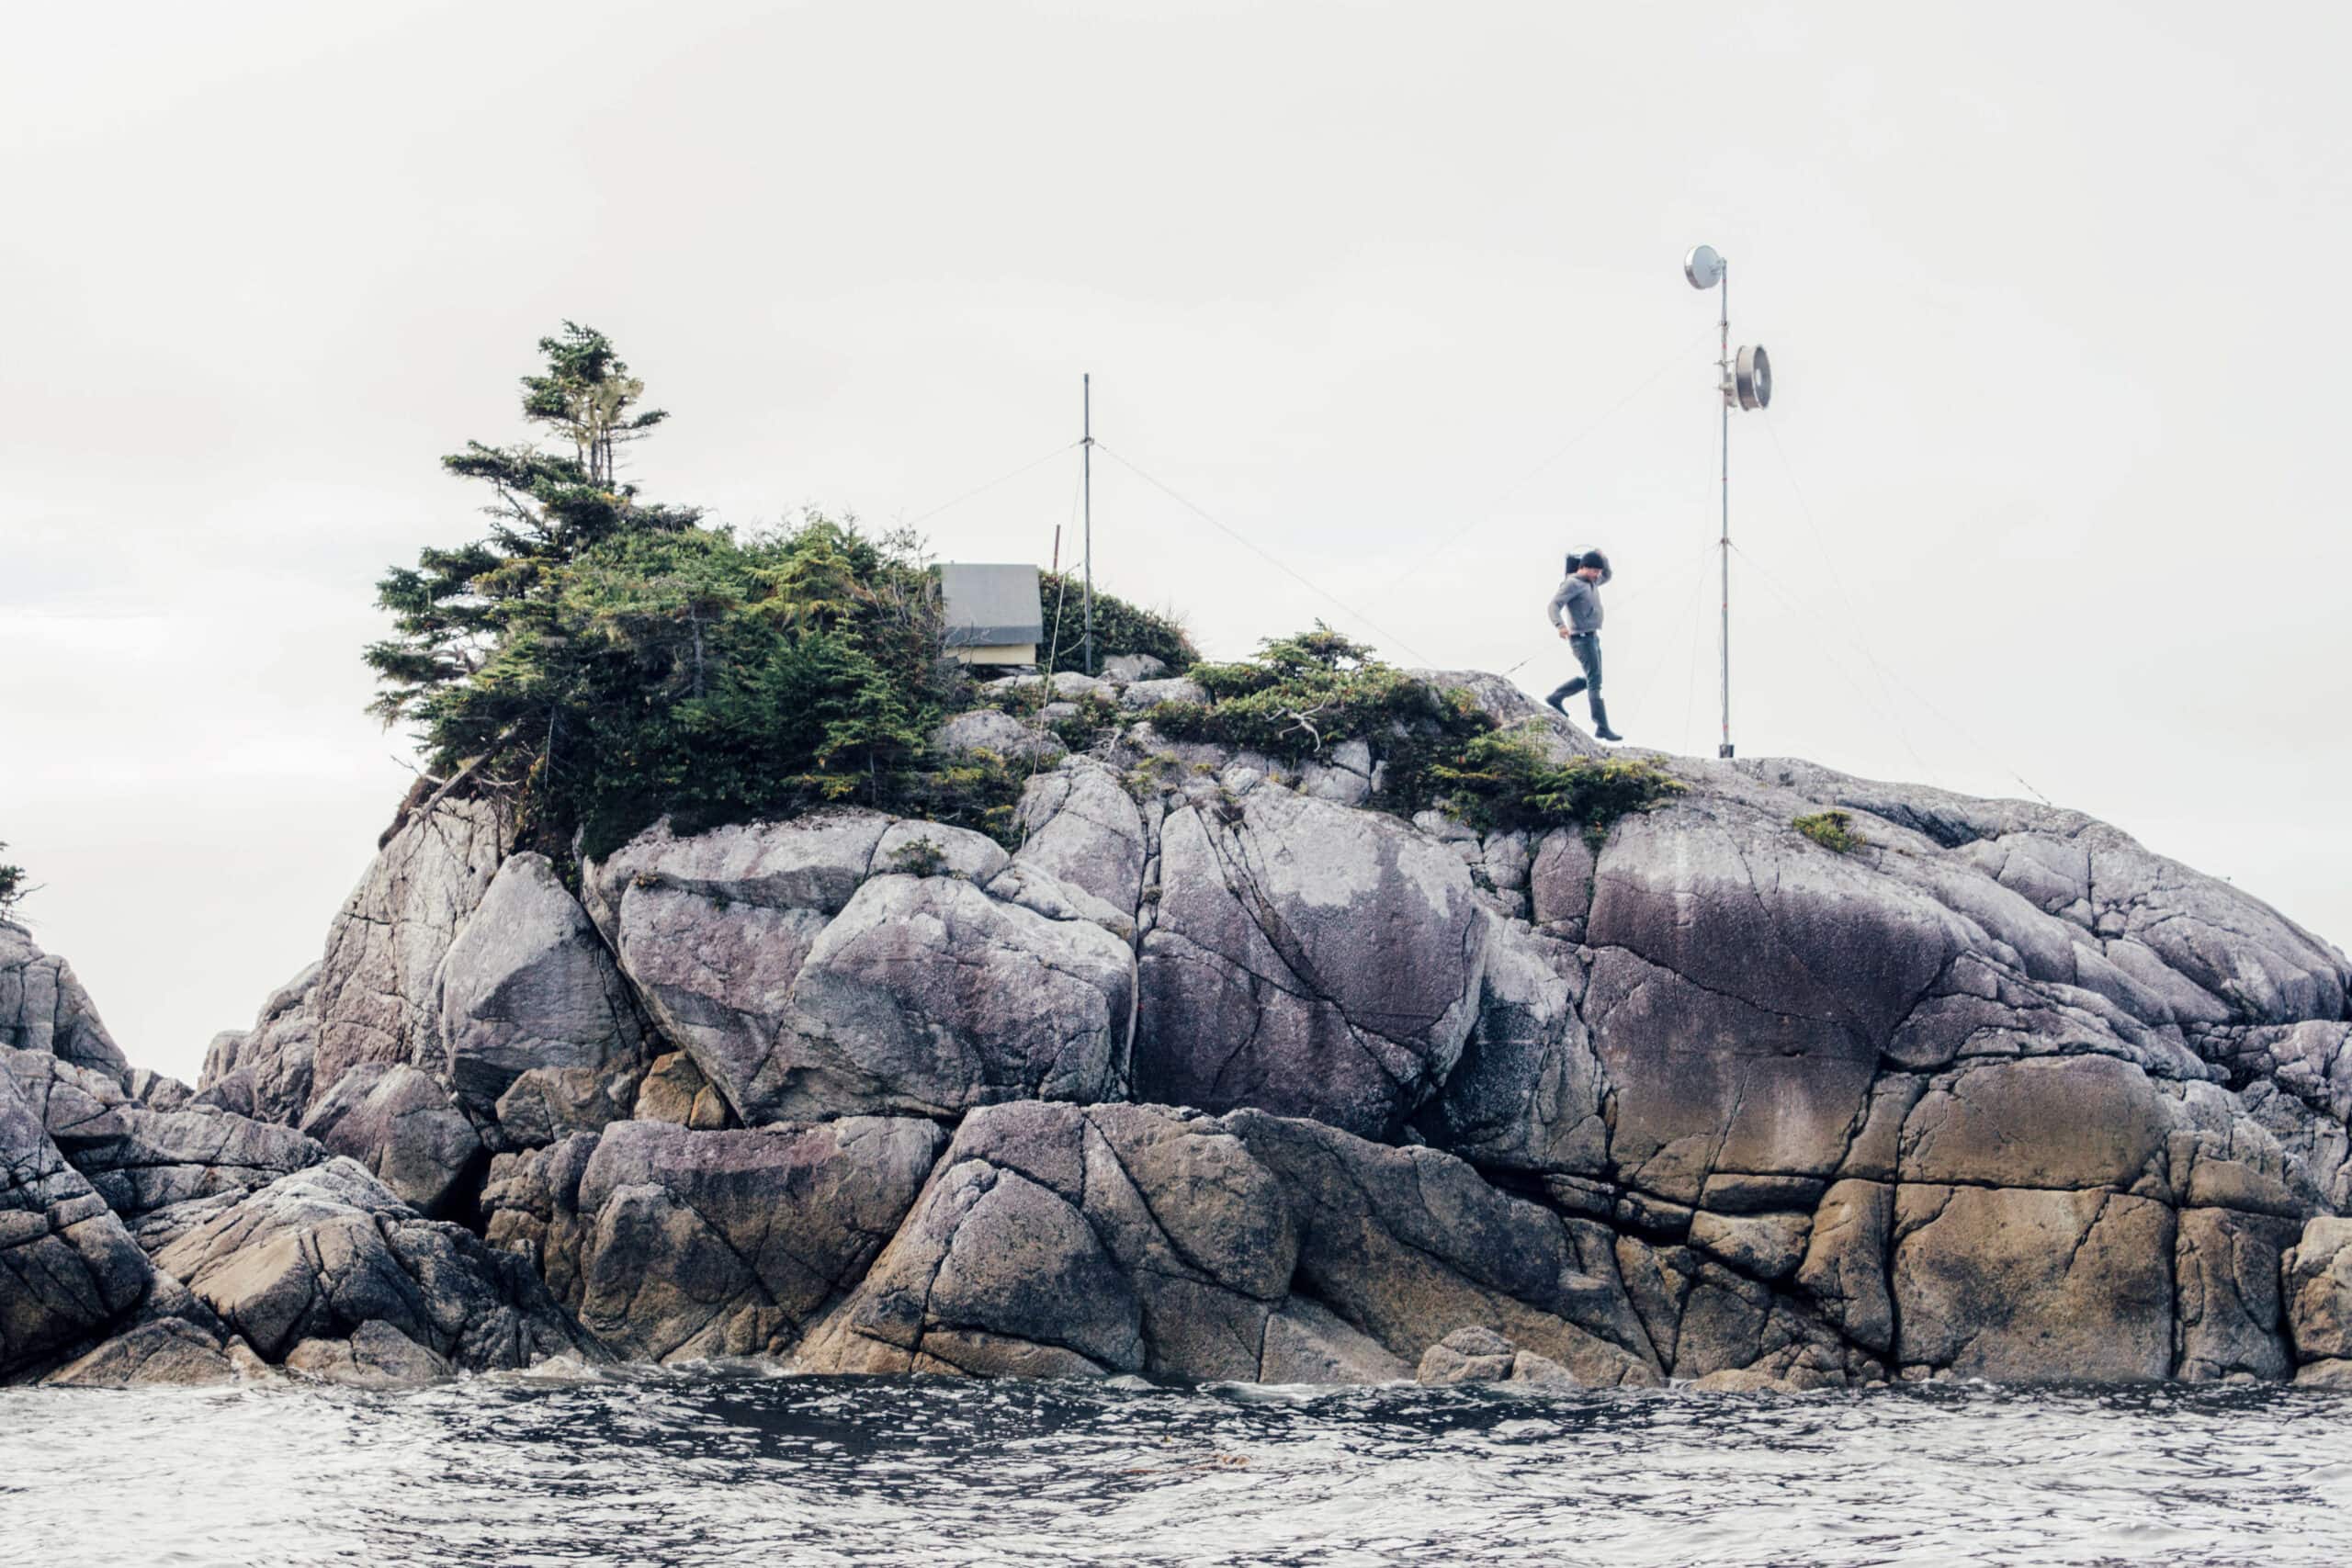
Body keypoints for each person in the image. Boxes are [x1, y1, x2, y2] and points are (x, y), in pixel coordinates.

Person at [1544, 549, 1622, 741]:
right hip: (1581, 638)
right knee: (1595, 681)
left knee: (1592, 678)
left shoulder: (1592, 581)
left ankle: (1556, 697)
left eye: (1598, 571)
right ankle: (1602, 726)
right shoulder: (1573, 583)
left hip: (1593, 637)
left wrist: (1603, 557)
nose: (1597, 574)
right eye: (1594, 570)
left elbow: (1608, 575)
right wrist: (1560, 626)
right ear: (1583, 567)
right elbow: (1553, 605)